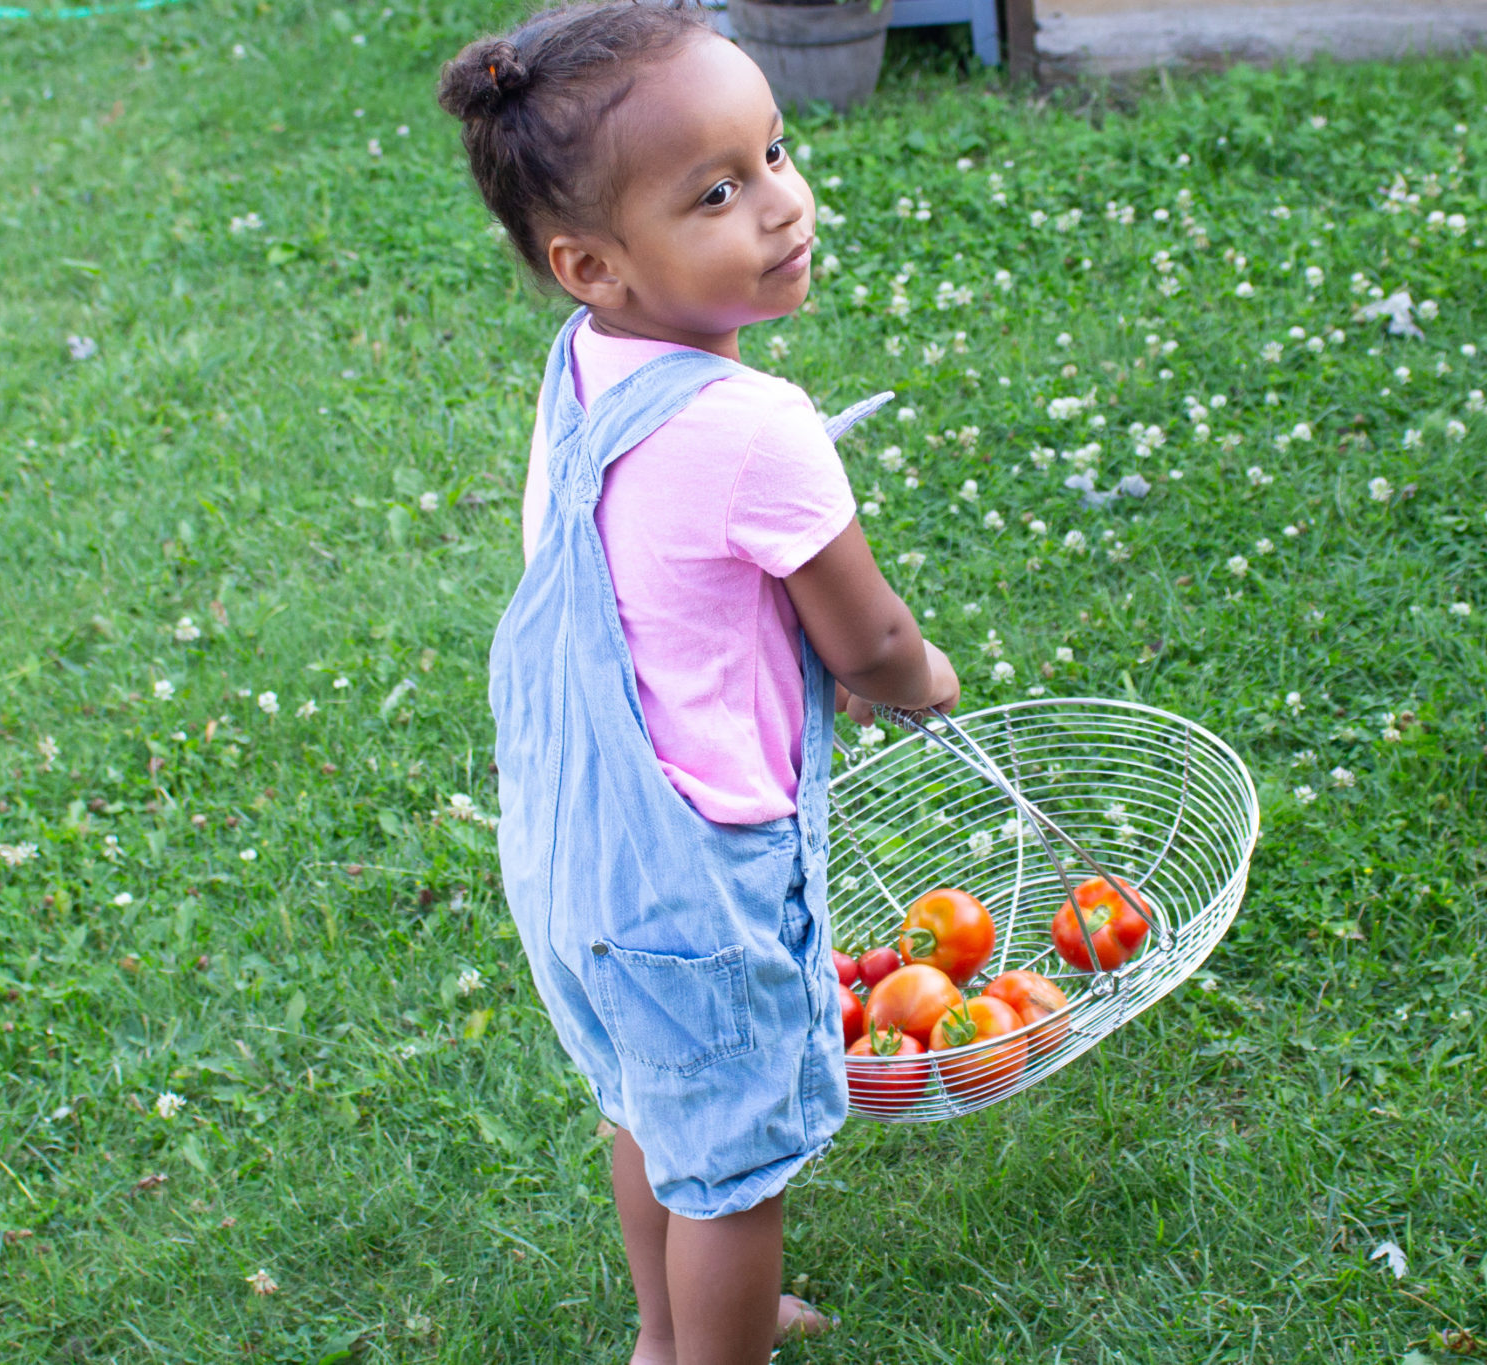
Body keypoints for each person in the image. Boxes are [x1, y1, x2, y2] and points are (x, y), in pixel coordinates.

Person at [438, 6, 959, 1361]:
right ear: (593, 263)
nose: (782, 206)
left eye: (774, 152)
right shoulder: (756, 426)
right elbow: (870, 640)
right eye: (718, 192)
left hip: (573, 855)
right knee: (736, 1171)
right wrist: (924, 679)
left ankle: (667, 1337)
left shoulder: (580, 371)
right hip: (695, 877)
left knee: (653, 1108)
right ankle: (715, 1345)